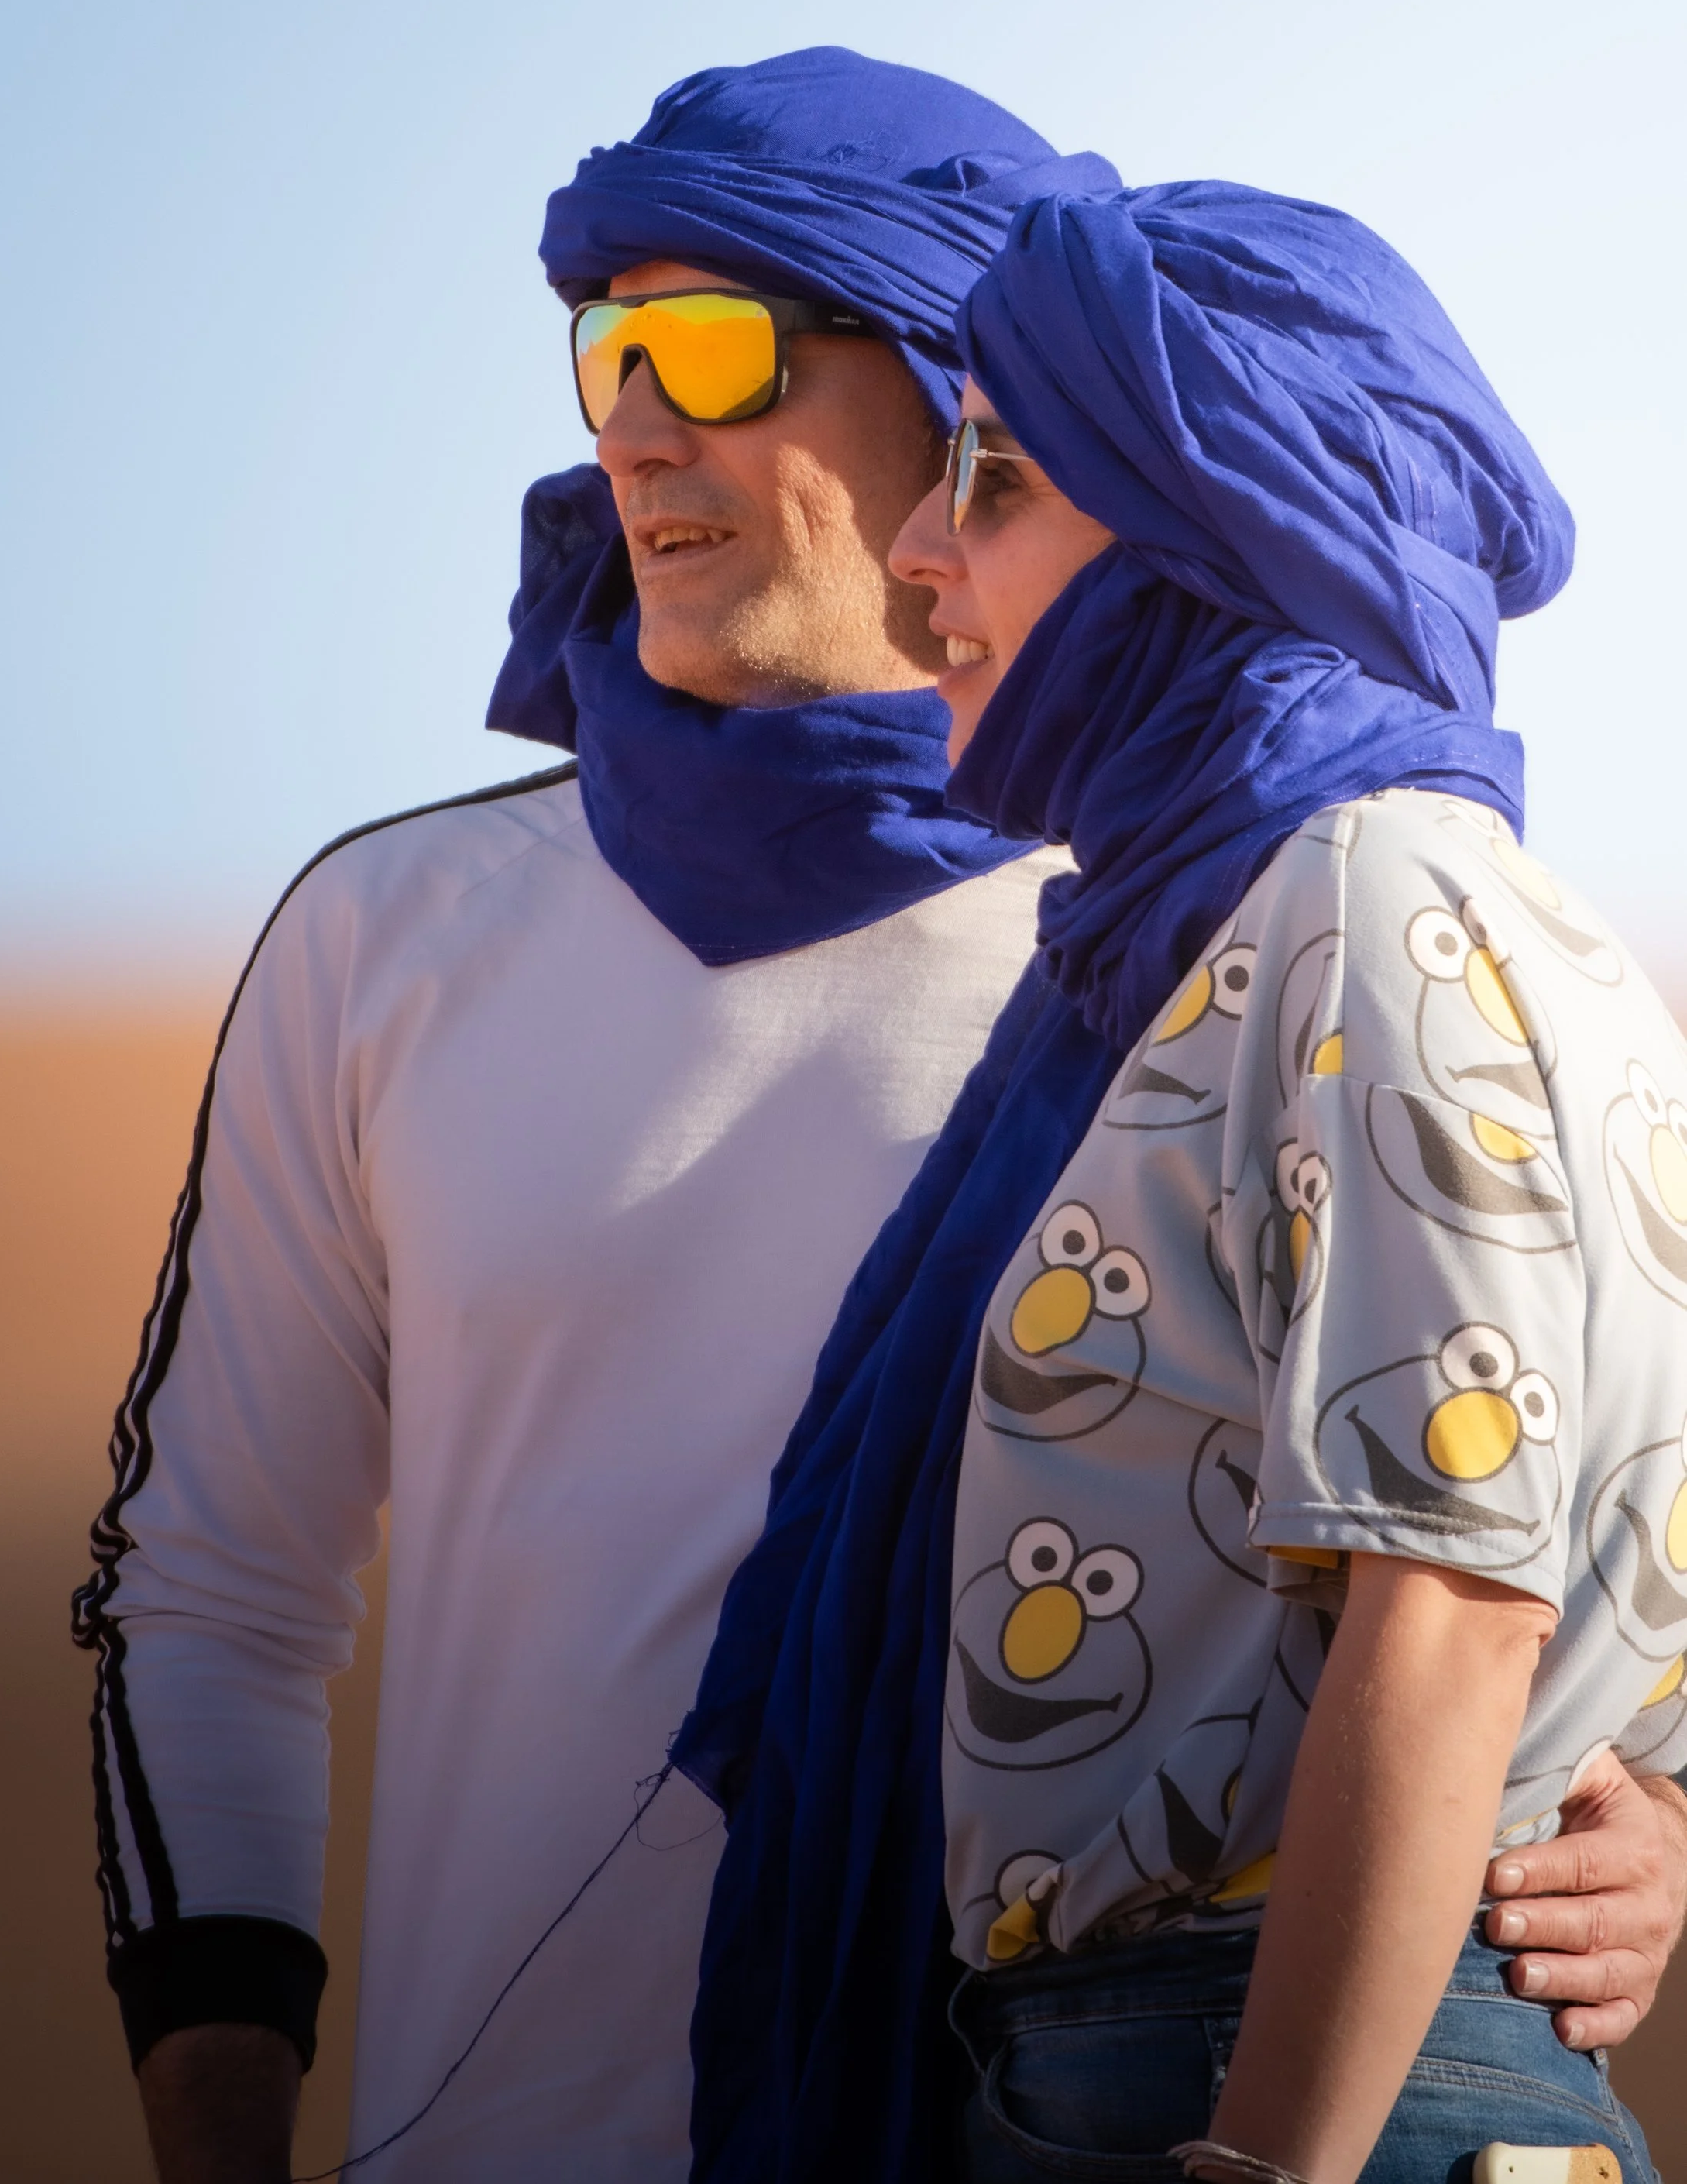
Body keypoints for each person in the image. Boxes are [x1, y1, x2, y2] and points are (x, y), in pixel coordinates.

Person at [74, 55, 1683, 2184]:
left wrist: (1626, 1813)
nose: (635, 417)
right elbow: (209, 1586)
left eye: (718, 345)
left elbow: (1509, 1499)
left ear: (965, 400)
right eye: (606, 350)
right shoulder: (394, 935)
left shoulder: (1229, 920)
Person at [678, 177, 1687, 2184]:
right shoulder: (1282, 935)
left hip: (1275, 2083)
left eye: (995, 473)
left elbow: (1455, 1593)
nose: (912, 548)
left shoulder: (1374, 892)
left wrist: (1266, 2163)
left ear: (1210, 532)